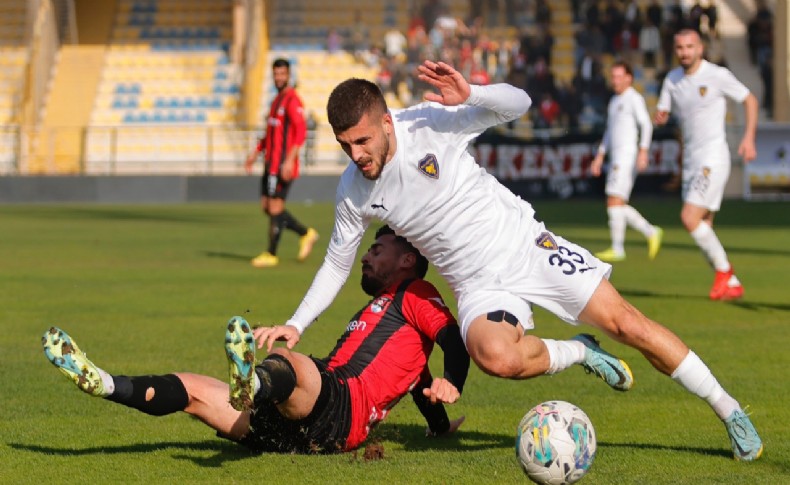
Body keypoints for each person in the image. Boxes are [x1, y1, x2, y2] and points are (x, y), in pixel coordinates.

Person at [258, 59, 763, 461]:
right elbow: (336, 263)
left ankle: (728, 409)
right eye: (346, 145)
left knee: (628, 323)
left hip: (526, 246)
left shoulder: (431, 124)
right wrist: (297, 323)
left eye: (363, 140)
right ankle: (580, 352)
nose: (357, 155)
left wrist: (472, 94)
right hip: (477, 284)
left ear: (387, 122)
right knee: (494, 356)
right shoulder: (353, 191)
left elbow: (519, 103)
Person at [42, 226, 469, 454]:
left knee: (293, 361)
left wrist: (455, 379)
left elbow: (453, 340)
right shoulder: (396, 325)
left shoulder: (415, 294)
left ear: (408, 260)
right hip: (297, 431)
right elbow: (419, 382)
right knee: (190, 388)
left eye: (379, 249)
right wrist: (439, 425)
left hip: (342, 407)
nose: (367, 254)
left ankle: (255, 386)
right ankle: (105, 382)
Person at [654, 29, 758, 301]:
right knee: (704, 226)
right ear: (674, 50)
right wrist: (661, 116)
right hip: (691, 161)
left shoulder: (717, 75)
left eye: (690, 46)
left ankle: (725, 272)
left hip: (713, 157)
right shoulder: (672, 80)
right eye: (680, 47)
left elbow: (750, 100)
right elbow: (663, 112)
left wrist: (748, 138)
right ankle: (732, 283)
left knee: (689, 218)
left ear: (700, 48)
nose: (685, 52)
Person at [244, 58, 318, 268]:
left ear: (288, 75)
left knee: (275, 207)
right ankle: (305, 233)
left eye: (282, 74)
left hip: (283, 165)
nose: (279, 77)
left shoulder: (293, 101)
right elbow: (269, 135)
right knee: (267, 206)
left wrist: (289, 160)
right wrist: (255, 154)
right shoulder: (275, 102)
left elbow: (301, 132)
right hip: (270, 164)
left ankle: (271, 253)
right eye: (276, 74)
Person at [591, 61, 663, 263]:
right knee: (618, 202)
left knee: (614, 200)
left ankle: (621, 246)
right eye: (613, 76)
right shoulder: (615, 101)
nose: (615, 80)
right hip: (616, 156)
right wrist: (600, 156)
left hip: (627, 155)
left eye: (619, 76)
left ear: (629, 78)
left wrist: (643, 151)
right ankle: (649, 232)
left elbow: (646, 125)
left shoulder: (634, 98)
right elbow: (609, 132)